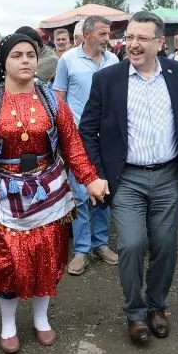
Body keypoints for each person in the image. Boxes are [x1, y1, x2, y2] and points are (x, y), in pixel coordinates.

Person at [0, 33, 108, 354]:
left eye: (30, 54)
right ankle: (8, 323)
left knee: (48, 257)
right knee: (9, 262)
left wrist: (90, 178)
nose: (26, 60)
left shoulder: (52, 100)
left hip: (49, 190)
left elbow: (72, 144)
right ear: (3, 63)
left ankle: (42, 319)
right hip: (2, 192)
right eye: (17, 55)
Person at [79, 11, 178, 346]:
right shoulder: (108, 79)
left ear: (160, 43)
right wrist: (95, 175)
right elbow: (87, 130)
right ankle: (135, 313)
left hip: (167, 176)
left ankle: (157, 307)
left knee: (165, 245)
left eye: (142, 38)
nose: (133, 44)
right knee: (132, 244)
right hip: (128, 179)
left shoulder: (176, 73)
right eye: (129, 37)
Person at [53, 16, 120, 275]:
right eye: (103, 34)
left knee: (103, 190)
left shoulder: (114, 60)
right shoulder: (68, 60)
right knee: (80, 195)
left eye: (108, 34)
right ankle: (81, 250)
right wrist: (63, 133)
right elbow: (59, 99)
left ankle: (100, 244)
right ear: (87, 34)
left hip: (108, 139)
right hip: (78, 138)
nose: (107, 38)